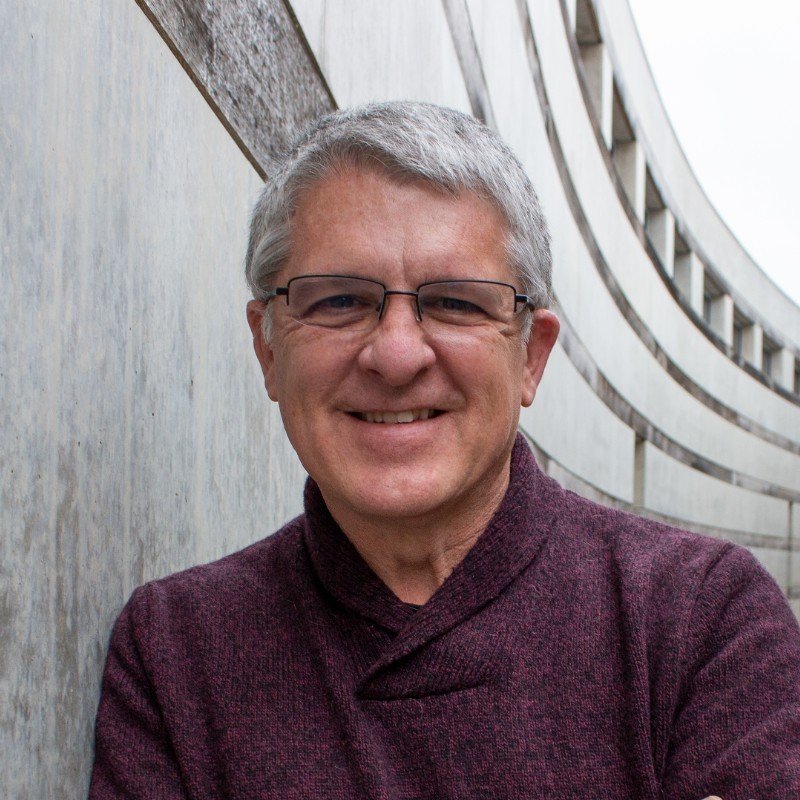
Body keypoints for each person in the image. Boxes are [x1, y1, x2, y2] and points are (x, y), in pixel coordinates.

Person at [88, 102, 800, 799]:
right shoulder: (177, 650)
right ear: (267, 347)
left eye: (457, 302)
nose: (395, 355)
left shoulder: (701, 620)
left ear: (531, 358)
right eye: (337, 300)